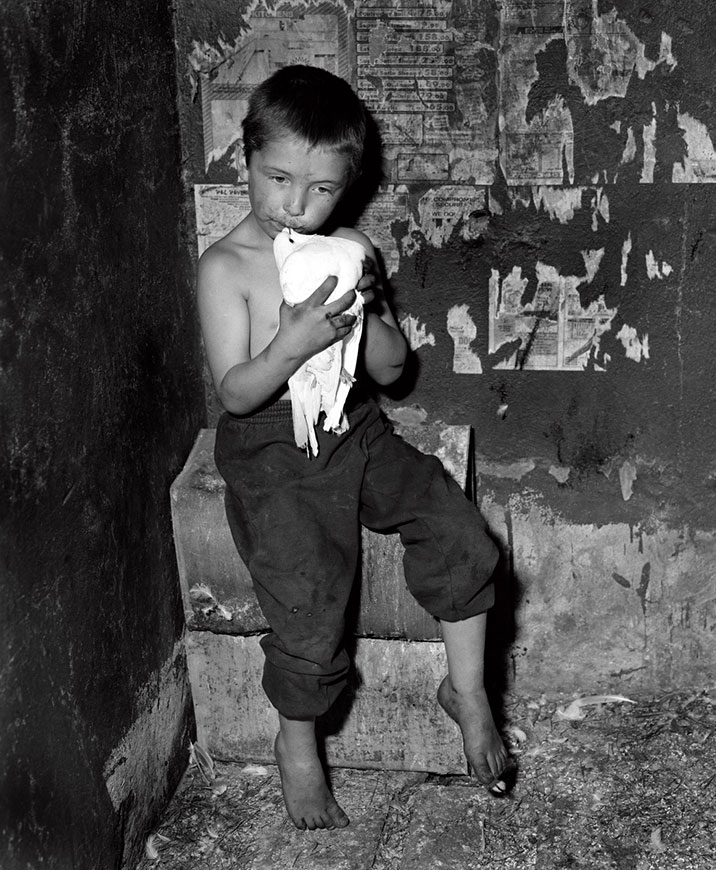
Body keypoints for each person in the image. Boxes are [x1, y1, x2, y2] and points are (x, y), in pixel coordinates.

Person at [196, 64, 514, 831]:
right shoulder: (226, 268)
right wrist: (292, 341)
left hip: (353, 426)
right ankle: (297, 744)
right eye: (277, 179)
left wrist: (359, 310)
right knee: (309, 600)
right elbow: (235, 393)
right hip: (269, 446)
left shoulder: (346, 249)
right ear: (245, 162)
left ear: (349, 187)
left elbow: (393, 370)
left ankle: (466, 689)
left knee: (458, 529)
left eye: (322, 190)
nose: (296, 207)